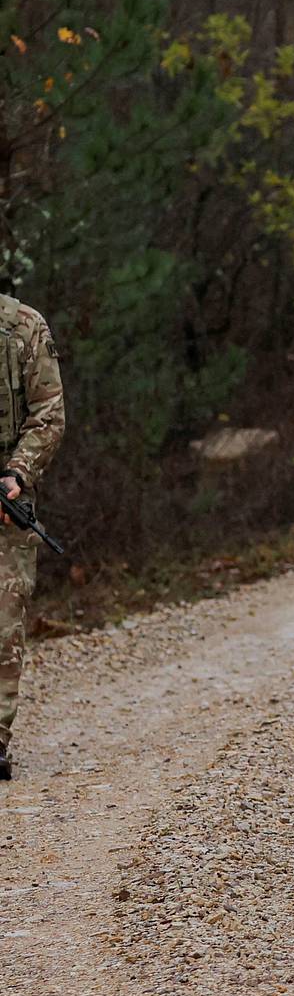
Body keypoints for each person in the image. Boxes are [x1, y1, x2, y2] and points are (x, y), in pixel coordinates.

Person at [0, 295, 66, 780]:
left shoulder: (23, 327)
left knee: (4, 621)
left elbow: (49, 414)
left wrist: (17, 473)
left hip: (6, 499)